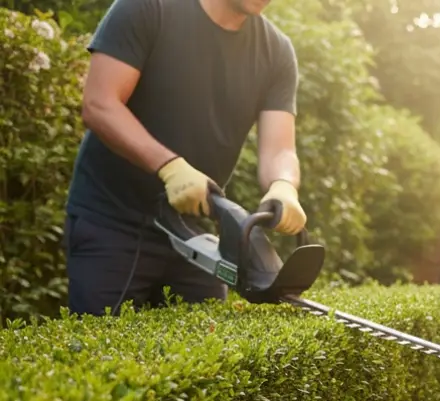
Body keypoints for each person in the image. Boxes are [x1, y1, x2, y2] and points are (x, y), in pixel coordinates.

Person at [63, 0, 306, 316]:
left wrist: (284, 184)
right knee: (101, 356)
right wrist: (168, 166)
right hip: (112, 223)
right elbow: (100, 104)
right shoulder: (148, 8)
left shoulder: (276, 52)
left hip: (192, 232)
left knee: (208, 355)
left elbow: (280, 149)